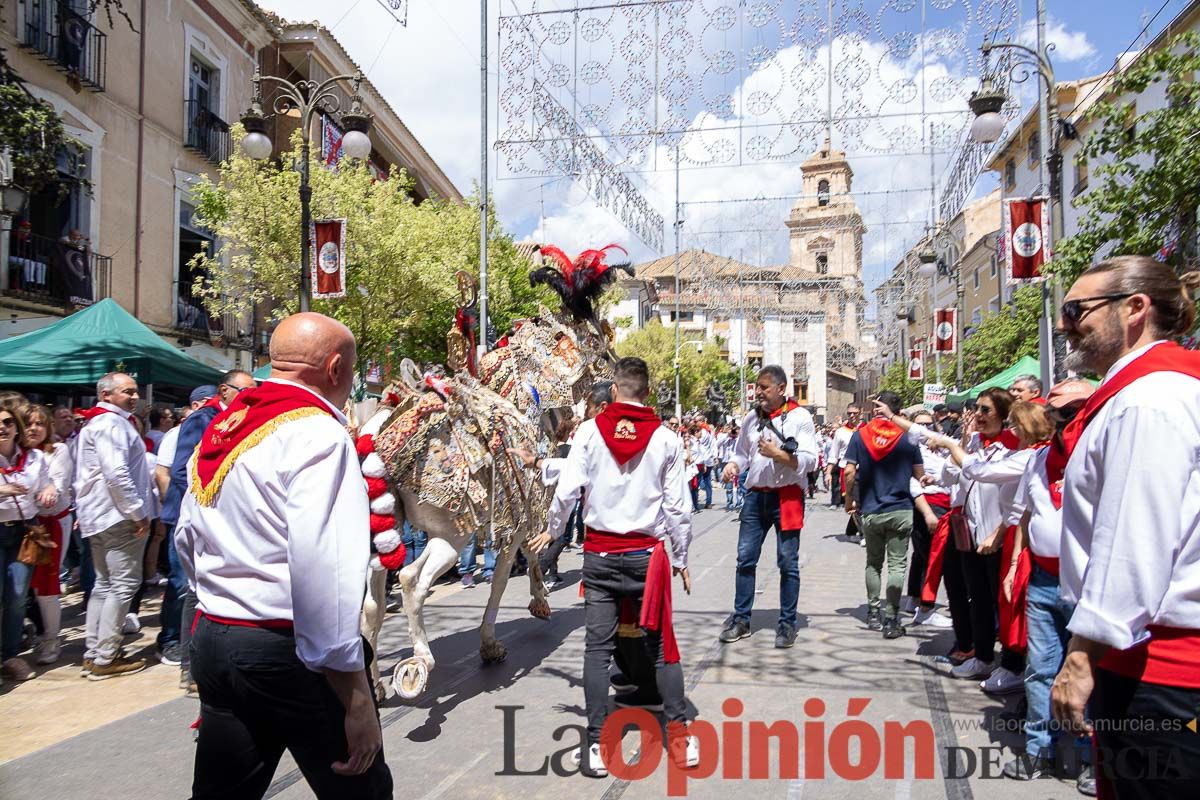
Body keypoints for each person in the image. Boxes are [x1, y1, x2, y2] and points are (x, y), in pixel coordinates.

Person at [175, 312, 391, 799]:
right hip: (288, 651)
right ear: (336, 369)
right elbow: (326, 576)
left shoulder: (224, 426)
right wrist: (356, 694)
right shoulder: (317, 434)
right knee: (361, 789)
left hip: (216, 636)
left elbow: (187, 536)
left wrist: (222, 599)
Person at [1050, 257, 1200, 799]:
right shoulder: (1152, 392)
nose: (1065, 324)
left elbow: (1134, 541)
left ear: (1134, 309)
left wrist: (1083, 653)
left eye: (1076, 310)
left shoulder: (1148, 401)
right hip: (1148, 658)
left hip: (1155, 667)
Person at [533, 356, 695, 778]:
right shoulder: (666, 439)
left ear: (616, 388)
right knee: (662, 648)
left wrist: (553, 530)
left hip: (600, 556)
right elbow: (679, 509)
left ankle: (593, 746)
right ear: (647, 391)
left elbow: (567, 491)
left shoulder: (589, 432)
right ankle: (678, 737)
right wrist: (681, 557)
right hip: (648, 557)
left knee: (597, 651)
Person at [999, 379, 1096, 795]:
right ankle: (1040, 749)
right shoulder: (1037, 461)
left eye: (1076, 409)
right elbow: (1024, 515)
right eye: (1060, 411)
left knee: (1089, 674)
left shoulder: (1098, 455)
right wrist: (1015, 562)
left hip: (1089, 585)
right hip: (1041, 578)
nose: (1067, 418)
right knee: (1040, 670)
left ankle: (1089, 757)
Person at [160, 376, 255, 683]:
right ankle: (188, 665)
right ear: (225, 391)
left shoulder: (245, 417)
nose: (253, 396)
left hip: (225, 519)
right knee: (193, 588)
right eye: (247, 391)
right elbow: (182, 471)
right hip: (197, 515)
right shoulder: (203, 419)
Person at [719, 365, 818, 648]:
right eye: (757, 386)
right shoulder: (751, 418)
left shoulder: (800, 417)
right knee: (745, 559)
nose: (758, 392)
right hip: (754, 499)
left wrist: (780, 455)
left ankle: (787, 624)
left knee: (788, 563)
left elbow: (811, 460)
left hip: (786, 497)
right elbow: (741, 453)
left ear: (781, 389)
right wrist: (733, 466)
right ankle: (741, 620)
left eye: (764, 387)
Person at [74, 372, 152, 680]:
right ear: (106, 395)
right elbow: (116, 473)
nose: (134, 397)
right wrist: (137, 513)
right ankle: (105, 656)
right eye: (127, 392)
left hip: (102, 515)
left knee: (104, 585)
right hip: (116, 516)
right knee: (121, 585)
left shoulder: (103, 423)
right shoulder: (110, 424)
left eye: (135, 391)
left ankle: (96, 652)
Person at [842, 392, 925, 638]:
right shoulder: (908, 437)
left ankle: (873, 613)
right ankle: (892, 617)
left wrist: (849, 498)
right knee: (898, 564)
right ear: (898, 411)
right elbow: (919, 474)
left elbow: (848, 472)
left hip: (871, 509)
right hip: (901, 509)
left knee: (874, 563)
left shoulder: (861, 435)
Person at [0, 403, 55, 681]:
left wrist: (48, 490)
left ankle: (9, 656)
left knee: (17, 596)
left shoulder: (34, 457)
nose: (2, 427)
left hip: (24, 532)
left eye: (8, 422)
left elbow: (48, 483)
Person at [23, 405, 74, 665]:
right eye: (28, 423)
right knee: (20, 587)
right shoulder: (15, 453)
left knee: (46, 588)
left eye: (39, 424)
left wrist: (22, 492)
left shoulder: (58, 450)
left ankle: (51, 639)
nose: (33, 429)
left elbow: (51, 496)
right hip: (20, 525)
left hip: (50, 526)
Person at [825, 404, 860, 509]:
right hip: (844, 467)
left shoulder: (866, 429)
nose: (852, 415)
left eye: (855, 413)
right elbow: (833, 454)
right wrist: (828, 473)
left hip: (862, 468)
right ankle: (836, 502)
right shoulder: (840, 432)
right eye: (849, 413)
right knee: (841, 489)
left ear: (860, 412)